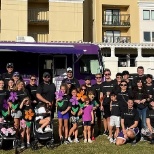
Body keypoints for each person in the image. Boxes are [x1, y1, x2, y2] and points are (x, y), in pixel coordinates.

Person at [100, 69, 115, 136]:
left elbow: (116, 94)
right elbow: (101, 95)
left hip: (113, 103)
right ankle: (110, 133)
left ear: (110, 74)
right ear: (104, 75)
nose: (107, 75)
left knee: (113, 118)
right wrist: (101, 104)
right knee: (108, 118)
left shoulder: (114, 82)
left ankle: (113, 132)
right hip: (105, 103)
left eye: (108, 74)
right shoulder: (102, 84)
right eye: (106, 74)